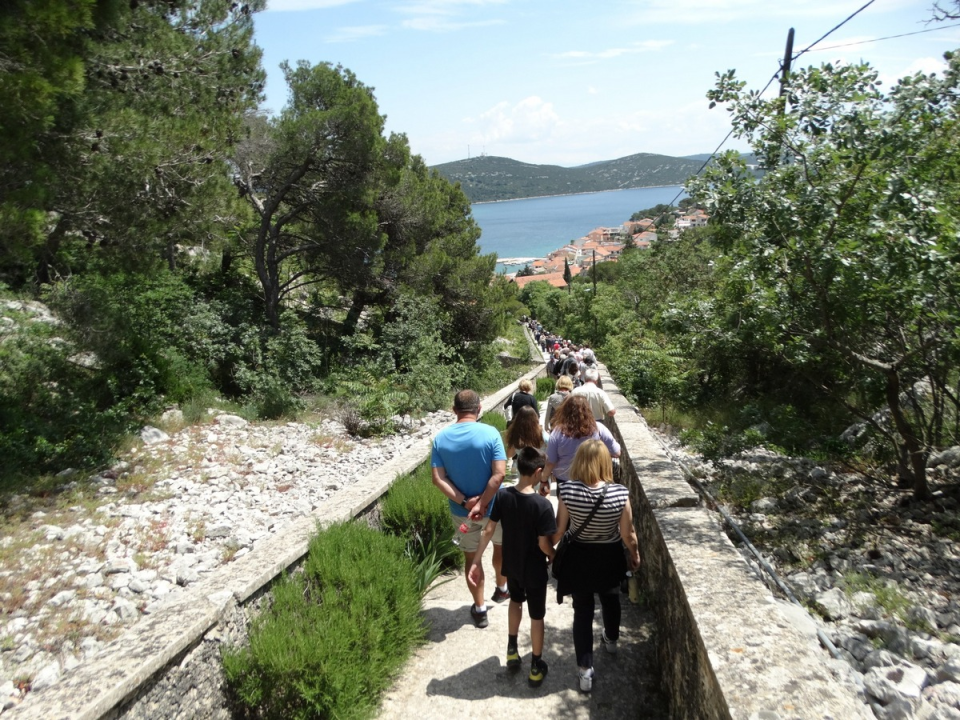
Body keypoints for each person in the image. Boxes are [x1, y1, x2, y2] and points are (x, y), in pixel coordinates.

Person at [551, 440, 640, 694]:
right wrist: (634, 554)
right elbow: (628, 533)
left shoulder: (567, 492)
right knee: (611, 598)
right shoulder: (620, 493)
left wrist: (546, 550)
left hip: (579, 556)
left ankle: (585, 670)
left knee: (583, 610)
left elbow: (559, 530)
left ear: (579, 461)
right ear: (605, 462)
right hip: (609, 555)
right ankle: (611, 640)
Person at [468, 447, 557, 688]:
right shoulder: (542, 505)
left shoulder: (504, 496)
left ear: (518, 468)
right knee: (537, 615)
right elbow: (544, 544)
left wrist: (476, 561)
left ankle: (511, 649)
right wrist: (554, 555)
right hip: (534, 569)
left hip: (512, 565)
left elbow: (488, 530)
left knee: (515, 602)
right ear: (538, 472)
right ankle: (536, 666)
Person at [431, 390, 509, 628]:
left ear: (454, 410)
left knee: (471, 557)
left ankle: (480, 607)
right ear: (479, 408)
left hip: (461, 512)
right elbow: (499, 474)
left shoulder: (440, 438)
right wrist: (483, 503)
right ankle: (502, 587)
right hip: (495, 509)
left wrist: (467, 503)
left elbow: (438, 479)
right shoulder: (491, 433)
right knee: (500, 546)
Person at [540, 395, 620, 497]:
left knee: (565, 511)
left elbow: (551, 462)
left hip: (565, 482)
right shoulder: (598, 428)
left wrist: (544, 480)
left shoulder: (557, 432)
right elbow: (617, 452)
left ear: (565, 411)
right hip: (592, 480)